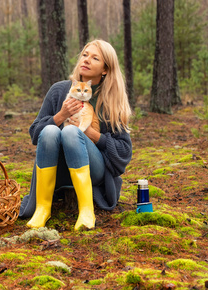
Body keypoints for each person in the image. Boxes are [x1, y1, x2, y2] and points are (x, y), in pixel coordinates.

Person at [19, 39, 133, 231]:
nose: (86, 60)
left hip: (93, 170)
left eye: (95, 58)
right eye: (85, 55)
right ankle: (42, 208)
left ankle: (86, 209)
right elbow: (35, 134)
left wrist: (92, 134)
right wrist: (61, 115)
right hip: (57, 168)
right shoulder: (59, 90)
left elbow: (124, 152)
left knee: (71, 131)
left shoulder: (112, 100)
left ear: (105, 69)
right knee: (49, 130)